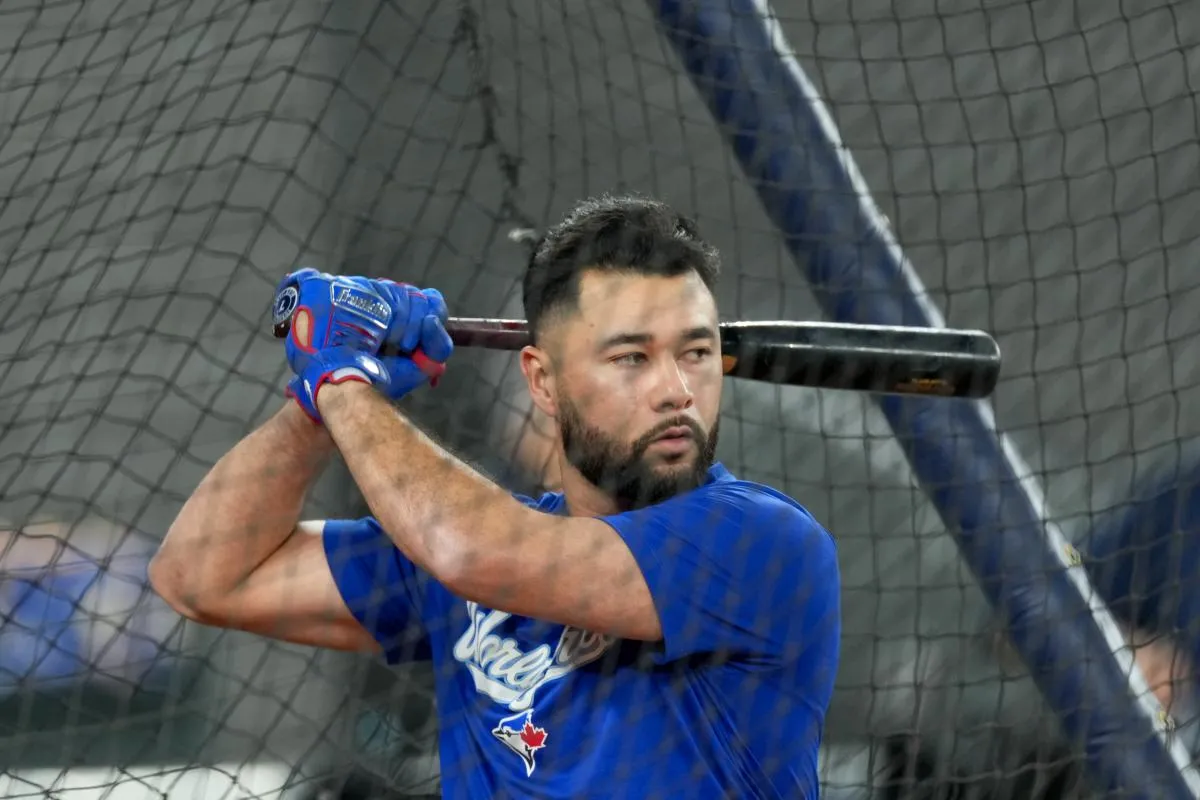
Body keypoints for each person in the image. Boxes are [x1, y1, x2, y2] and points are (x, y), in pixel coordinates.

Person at [149, 194, 842, 799]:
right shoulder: (460, 564)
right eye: (632, 357)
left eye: (694, 352)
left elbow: (471, 550)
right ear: (542, 382)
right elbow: (202, 576)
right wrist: (316, 403)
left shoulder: (764, 543)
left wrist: (341, 384)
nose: (677, 389)